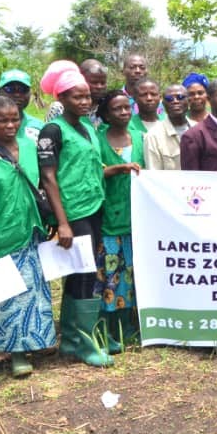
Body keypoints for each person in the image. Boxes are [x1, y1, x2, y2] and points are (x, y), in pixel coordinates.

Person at [0, 96, 55, 385]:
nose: (10, 125)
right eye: (2, 120)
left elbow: (44, 182)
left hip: (28, 233)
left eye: (14, 119)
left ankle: (18, 353)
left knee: (24, 298)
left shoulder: (29, 148)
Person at [37, 60, 114, 368]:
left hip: (93, 207)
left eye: (87, 96)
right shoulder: (53, 130)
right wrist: (62, 223)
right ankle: (84, 343)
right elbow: (48, 177)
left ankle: (71, 339)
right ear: (61, 98)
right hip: (73, 211)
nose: (84, 101)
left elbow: (90, 168)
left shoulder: (87, 128)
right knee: (83, 274)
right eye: (76, 96)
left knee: (81, 272)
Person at [96, 90, 144, 354]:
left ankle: (128, 327)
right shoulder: (97, 139)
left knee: (131, 274)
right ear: (106, 113)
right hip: (109, 219)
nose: (124, 112)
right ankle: (108, 329)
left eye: (127, 107)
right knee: (110, 275)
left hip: (137, 219)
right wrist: (119, 169)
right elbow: (93, 172)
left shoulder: (140, 137)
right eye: (117, 108)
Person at [46, 59, 109, 126]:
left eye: (103, 83)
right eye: (94, 82)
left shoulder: (108, 106)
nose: (99, 87)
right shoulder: (59, 108)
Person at [144, 84, 190, 170]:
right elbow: (153, 174)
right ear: (163, 104)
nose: (175, 101)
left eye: (180, 97)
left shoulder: (200, 131)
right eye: (169, 99)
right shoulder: (153, 136)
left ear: (189, 100)